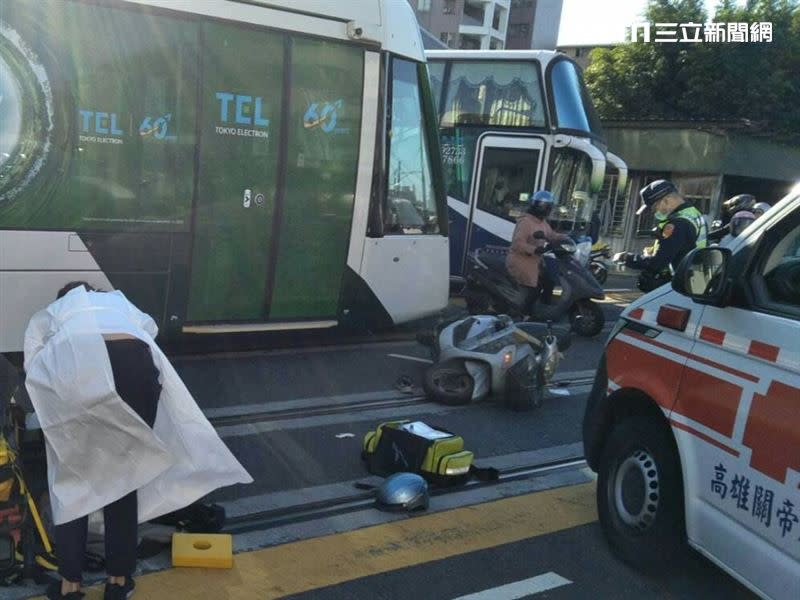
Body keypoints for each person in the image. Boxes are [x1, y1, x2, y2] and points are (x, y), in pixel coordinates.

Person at [24, 282, 253, 600]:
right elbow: (150, 328)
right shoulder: (117, 303)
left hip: (76, 367)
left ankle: (70, 586)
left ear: (66, 297)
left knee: (72, 478)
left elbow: (34, 349)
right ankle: (117, 583)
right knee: (123, 474)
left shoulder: (60, 310)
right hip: (134, 365)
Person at [613, 180, 708, 292]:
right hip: (695, 281)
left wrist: (627, 258)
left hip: (680, 287)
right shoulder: (694, 214)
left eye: (654, 208)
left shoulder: (677, 224)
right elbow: (684, 248)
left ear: (666, 200)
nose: (654, 213)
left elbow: (658, 263)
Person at [506, 190, 570, 312]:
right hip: (521, 261)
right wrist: (535, 249)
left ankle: (543, 310)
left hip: (534, 261)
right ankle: (525, 313)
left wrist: (565, 238)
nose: (548, 210)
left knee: (549, 282)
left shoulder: (541, 222)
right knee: (533, 288)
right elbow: (517, 244)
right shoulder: (526, 222)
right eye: (547, 207)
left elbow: (551, 235)